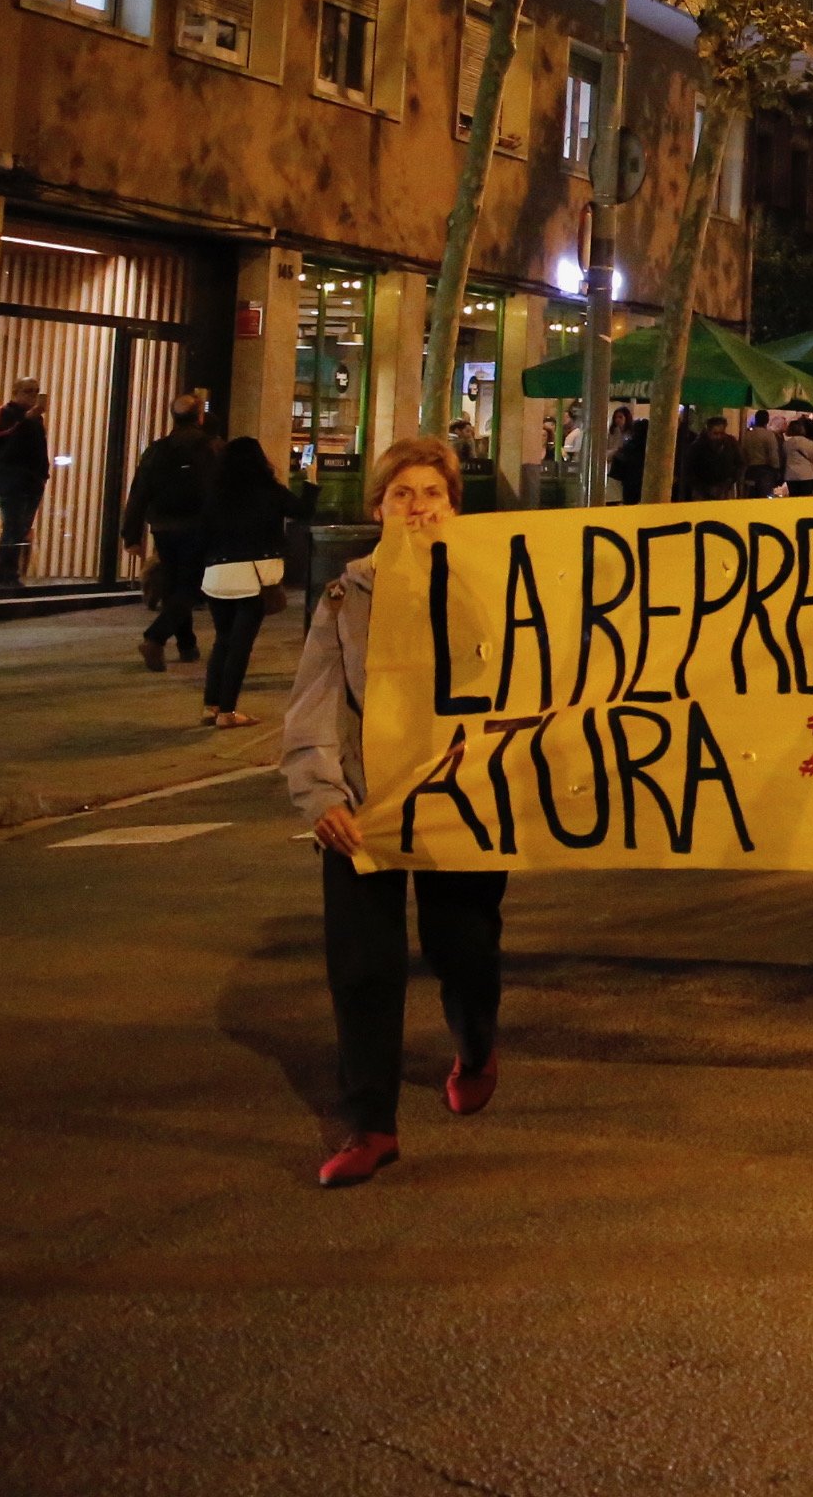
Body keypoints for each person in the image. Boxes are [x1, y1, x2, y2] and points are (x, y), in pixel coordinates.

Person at [280, 436, 500, 1188]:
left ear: (453, 507)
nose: (416, 507)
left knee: (461, 945)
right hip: (363, 807)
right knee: (363, 967)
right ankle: (369, 1123)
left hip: (464, 805)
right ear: (378, 508)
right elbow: (314, 704)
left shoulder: (492, 585)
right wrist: (321, 797)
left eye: (431, 494)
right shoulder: (346, 597)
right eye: (402, 494)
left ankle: (475, 1042)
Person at [194, 437, 300, 729]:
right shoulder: (268, 490)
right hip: (253, 578)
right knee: (240, 646)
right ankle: (228, 711)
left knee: (222, 641)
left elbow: (201, 535)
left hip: (217, 576)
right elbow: (301, 511)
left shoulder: (216, 493)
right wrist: (312, 482)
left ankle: (210, 705)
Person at [120, 389, 219, 672]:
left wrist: (132, 534)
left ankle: (187, 645)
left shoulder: (157, 450)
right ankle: (156, 637)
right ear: (199, 417)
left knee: (175, 584)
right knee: (189, 586)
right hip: (198, 527)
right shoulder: (211, 448)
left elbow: (139, 492)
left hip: (163, 527)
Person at [0, 378, 50, 586]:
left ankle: (10, 573)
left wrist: (43, 475)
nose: (32, 396)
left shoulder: (35, 420)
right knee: (12, 525)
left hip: (33, 479)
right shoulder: (2, 414)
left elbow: (39, 448)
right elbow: (1, 441)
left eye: (36, 392)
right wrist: (26, 420)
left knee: (22, 527)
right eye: (28, 391)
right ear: (15, 392)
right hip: (10, 477)